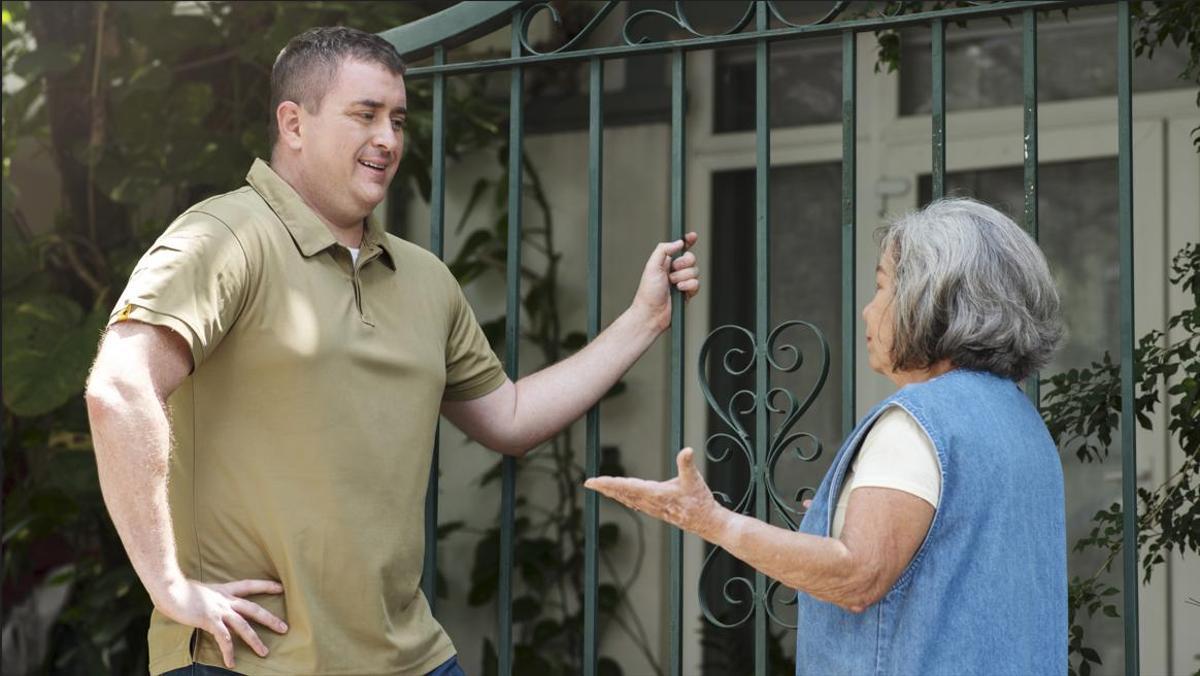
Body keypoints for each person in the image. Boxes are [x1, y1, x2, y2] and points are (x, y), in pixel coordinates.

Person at [84, 26, 701, 676]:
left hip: (412, 658)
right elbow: (120, 389)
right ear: (293, 123)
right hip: (251, 659)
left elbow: (510, 417)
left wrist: (643, 319)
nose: (388, 138)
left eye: (398, 119)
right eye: (366, 115)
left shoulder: (426, 278)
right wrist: (168, 586)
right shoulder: (224, 238)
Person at [587, 198, 1067, 675]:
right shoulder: (1020, 422)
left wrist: (710, 520)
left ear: (930, 299)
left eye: (883, 287)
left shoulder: (919, 422)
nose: (867, 310)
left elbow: (858, 577)